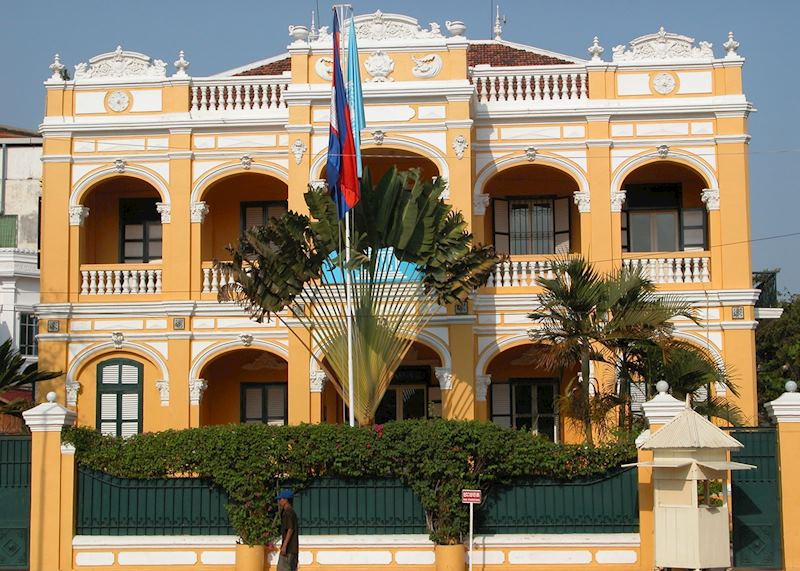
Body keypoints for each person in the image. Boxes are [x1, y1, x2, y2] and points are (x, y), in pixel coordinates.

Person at [276, 489, 299, 571]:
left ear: (286, 500)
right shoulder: (292, 512)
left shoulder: (287, 512)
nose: (279, 501)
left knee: (282, 568)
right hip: (293, 549)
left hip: (288, 549)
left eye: (281, 499)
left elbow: (290, 529)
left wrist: (284, 546)